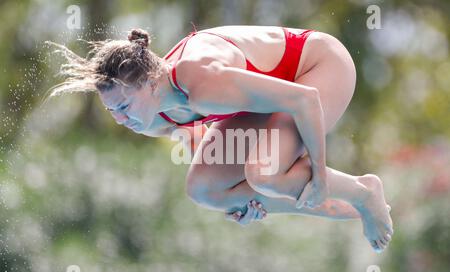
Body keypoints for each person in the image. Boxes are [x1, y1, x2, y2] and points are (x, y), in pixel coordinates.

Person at [47, 26, 393, 252]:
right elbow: (213, 153)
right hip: (269, 98)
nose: (121, 120)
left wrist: (317, 172)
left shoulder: (203, 83)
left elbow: (305, 100)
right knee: (204, 189)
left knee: (264, 172)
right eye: (112, 111)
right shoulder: (154, 120)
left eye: (123, 105)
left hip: (316, 67)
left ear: (151, 84)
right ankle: (350, 207)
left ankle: (364, 192)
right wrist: (242, 203)